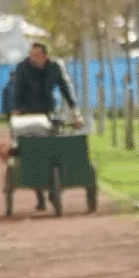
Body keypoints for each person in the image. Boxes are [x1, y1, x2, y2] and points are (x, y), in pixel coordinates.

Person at [10, 41, 82, 211]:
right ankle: (39, 195)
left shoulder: (55, 67)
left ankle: (54, 189)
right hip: (28, 113)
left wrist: (75, 111)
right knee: (31, 152)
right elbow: (18, 90)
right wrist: (16, 111)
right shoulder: (22, 68)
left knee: (54, 147)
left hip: (49, 111)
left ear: (45, 56)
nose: (33, 58)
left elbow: (65, 88)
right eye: (31, 54)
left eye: (37, 55)